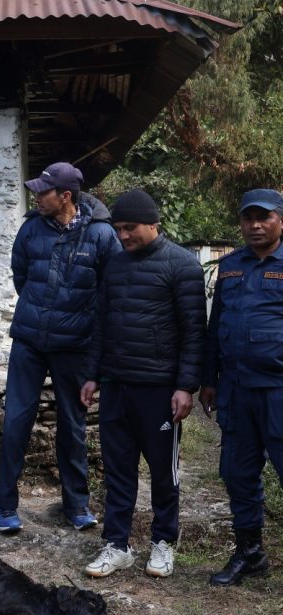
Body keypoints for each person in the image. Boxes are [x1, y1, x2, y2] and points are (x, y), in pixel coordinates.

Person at [80, 189, 206, 578]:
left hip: (159, 390)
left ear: (154, 224)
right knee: (118, 470)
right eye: (118, 229)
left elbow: (194, 332)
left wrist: (186, 386)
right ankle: (117, 545)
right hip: (117, 385)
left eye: (130, 228)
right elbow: (101, 324)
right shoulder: (115, 266)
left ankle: (163, 542)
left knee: (163, 473)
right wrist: (92, 374)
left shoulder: (182, 265)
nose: (123, 236)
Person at [0, 161, 121, 534]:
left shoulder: (100, 235)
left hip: (75, 347)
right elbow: (21, 277)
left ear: (65, 196)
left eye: (43, 191)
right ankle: (4, 505)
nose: (36, 195)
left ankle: (77, 505)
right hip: (30, 342)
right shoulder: (31, 228)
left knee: (73, 426)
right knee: (16, 421)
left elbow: (108, 291)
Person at [199, 188, 283, 586]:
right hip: (236, 389)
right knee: (237, 473)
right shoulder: (230, 267)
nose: (255, 225)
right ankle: (250, 553)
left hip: (278, 390)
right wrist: (209, 379)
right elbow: (216, 328)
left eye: (264, 217)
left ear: (280, 220)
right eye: (248, 218)